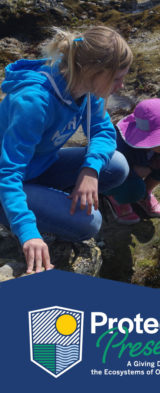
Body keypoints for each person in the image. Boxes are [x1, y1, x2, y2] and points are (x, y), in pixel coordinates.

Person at [0, 26, 133, 274]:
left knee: (116, 166)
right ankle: (23, 213)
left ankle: (50, 202)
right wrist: (28, 233)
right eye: (116, 79)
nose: (122, 86)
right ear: (94, 72)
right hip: (7, 182)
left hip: (39, 166)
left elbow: (103, 132)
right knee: (89, 224)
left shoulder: (86, 87)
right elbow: (7, 175)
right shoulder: (34, 102)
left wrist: (90, 169)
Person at [105, 98, 160, 224]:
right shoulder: (120, 145)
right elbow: (107, 169)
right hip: (113, 175)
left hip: (142, 164)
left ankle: (145, 194)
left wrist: (158, 157)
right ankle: (115, 199)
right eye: (159, 139)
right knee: (135, 188)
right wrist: (133, 172)